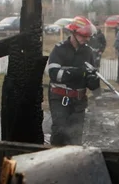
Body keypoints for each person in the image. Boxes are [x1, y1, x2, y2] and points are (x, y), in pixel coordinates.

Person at [46, 16, 101, 146]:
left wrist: (93, 81)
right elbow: (54, 74)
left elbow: (91, 82)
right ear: (73, 33)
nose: (87, 39)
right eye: (83, 36)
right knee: (60, 132)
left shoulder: (88, 52)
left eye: (88, 36)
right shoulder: (59, 50)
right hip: (60, 99)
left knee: (75, 137)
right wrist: (80, 72)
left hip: (79, 101)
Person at [88, 23, 107, 98]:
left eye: (97, 25)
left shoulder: (101, 35)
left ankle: (96, 89)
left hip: (97, 55)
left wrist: (101, 51)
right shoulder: (91, 35)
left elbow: (104, 44)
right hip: (90, 55)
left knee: (96, 71)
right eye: (95, 26)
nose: (96, 27)